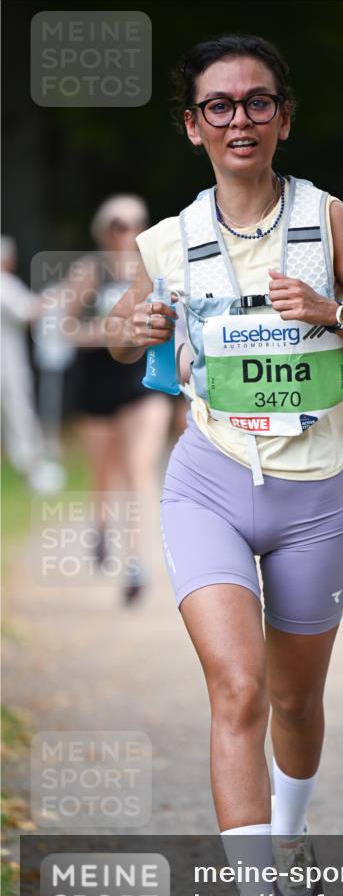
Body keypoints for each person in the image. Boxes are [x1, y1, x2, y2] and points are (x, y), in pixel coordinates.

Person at [105, 33, 343, 896]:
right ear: (194, 127)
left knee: (293, 699)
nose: (241, 119)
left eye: (257, 101)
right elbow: (123, 338)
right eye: (220, 106)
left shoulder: (327, 219)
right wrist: (132, 328)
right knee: (236, 689)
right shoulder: (168, 241)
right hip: (210, 483)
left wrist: (335, 320)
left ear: (283, 115)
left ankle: (291, 833)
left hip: (316, 496)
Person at [67, 195, 177, 604]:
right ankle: (101, 527)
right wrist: (107, 334)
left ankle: (136, 563)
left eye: (136, 223)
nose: (127, 232)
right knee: (103, 473)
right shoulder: (88, 271)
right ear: (103, 228)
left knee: (138, 467)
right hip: (97, 383)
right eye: (118, 223)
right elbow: (64, 327)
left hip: (143, 383)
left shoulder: (155, 271)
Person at [0, 235, 67, 493]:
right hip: (8, 365)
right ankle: (33, 470)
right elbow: (29, 311)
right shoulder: (4, 283)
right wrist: (57, 295)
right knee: (19, 414)